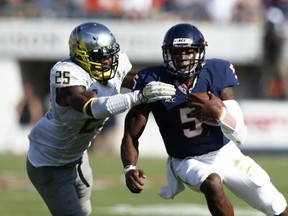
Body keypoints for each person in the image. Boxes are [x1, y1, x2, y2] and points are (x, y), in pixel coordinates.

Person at [120, 23, 288, 216]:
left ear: (199, 52)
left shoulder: (216, 71)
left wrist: (219, 114)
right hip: (186, 160)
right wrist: (129, 168)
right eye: (176, 52)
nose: (182, 58)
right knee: (212, 182)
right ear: (167, 54)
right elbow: (131, 133)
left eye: (189, 52)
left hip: (225, 152)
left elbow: (240, 134)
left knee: (275, 205)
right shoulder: (153, 81)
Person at [26, 22, 176, 216]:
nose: (107, 61)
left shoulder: (115, 63)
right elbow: (93, 107)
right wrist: (139, 96)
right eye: (100, 56)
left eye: (110, 55)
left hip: (79, 156)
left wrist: (170, 79)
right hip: (48, 160)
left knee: (85, 209)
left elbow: (132, 79)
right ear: (80, 54)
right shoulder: (66, 74)